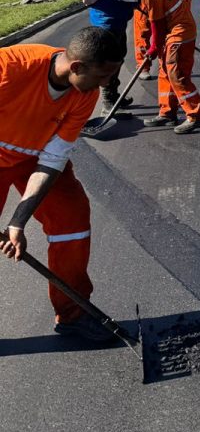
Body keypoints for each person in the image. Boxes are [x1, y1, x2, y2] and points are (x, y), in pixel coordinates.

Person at [0, 27, 124, 344]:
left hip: (33, 156)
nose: (106, 84)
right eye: (103, 75)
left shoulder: (85, 94)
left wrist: (18, 221)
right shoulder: (9, 68)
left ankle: (73, 314)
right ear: (77, 67)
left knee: (72, 217)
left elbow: (53, 159)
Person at [80, 0, 146, 109]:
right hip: (105, 21)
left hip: (119, 19)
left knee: (118, 57)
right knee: (107, 61)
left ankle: (114, 95)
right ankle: (107, 101)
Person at [139, 0, 200, 133]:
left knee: (178, 75)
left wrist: (154, 48)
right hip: (174, 30)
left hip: (179, 33)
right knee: (165, 71)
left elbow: (157, 25)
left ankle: (196, 115)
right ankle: (168, 113)